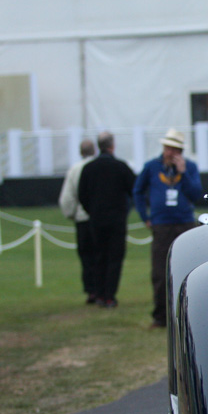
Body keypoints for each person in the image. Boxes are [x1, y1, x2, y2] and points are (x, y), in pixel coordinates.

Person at [134, 128, 203, 328]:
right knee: (159, 270)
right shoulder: (151, 167)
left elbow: (195, 194)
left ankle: (188, 314)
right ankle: (160, 316)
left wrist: (183, 173)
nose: (170, 153)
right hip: (161, 225)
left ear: (180, 151)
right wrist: (144, 217)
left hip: (185, 223)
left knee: (190, 268)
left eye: (174, 149)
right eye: (167, 148)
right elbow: (138, 191)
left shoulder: (189, 167)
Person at [77, 132, 136, 308]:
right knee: (115, 258)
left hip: (96, 220)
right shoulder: (120, 167)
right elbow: (134, 189)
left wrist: (92, 211)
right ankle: (110, 296)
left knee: (99, 256)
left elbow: (82, 195)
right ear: (112, 145)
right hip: (116, 220)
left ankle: (100, 294)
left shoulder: (88, 168)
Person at [58, 138, 97, 303]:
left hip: (82, 219)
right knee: (100, 254)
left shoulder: (75, 169)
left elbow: (68, 196)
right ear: (94, 151)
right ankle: (102, 289)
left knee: (86, 255)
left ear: (81, 152)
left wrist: (70, 213)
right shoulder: (98, 167)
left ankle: (91, 290)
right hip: (99, 217)